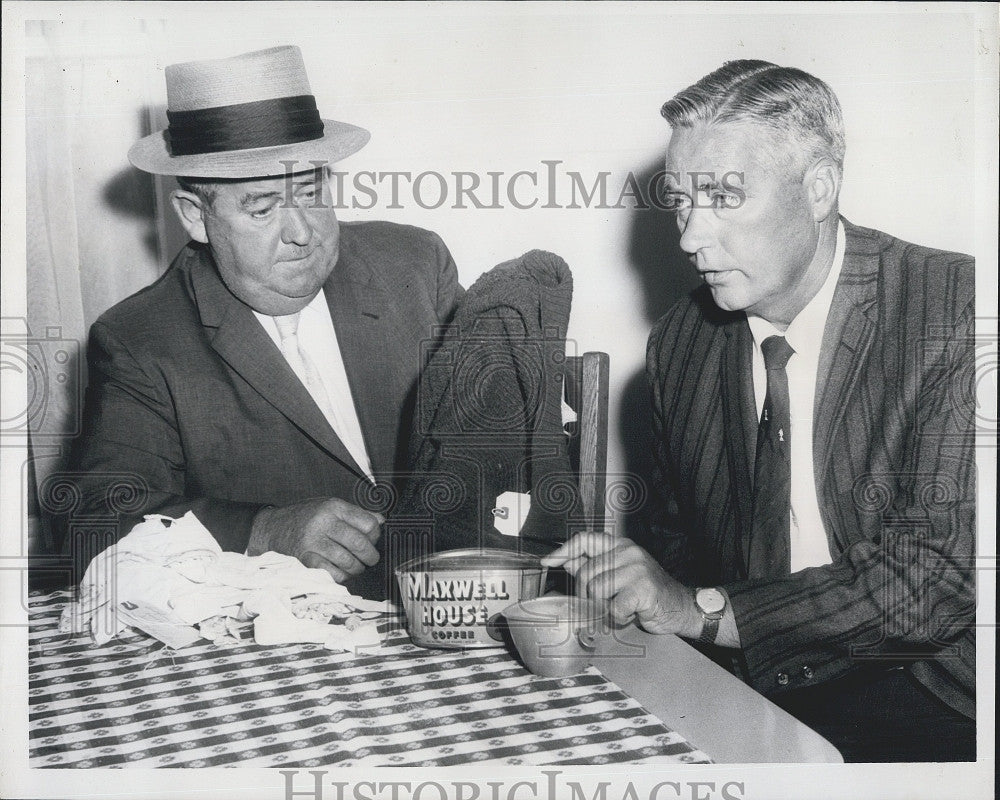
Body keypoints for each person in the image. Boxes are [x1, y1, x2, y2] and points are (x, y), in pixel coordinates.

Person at [544, 60, 976, 762]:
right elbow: (677, 542)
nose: (689, 237)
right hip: (753, 677)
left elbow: (935, 581)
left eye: (721, 197)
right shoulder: (682, 342)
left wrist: (701, 610)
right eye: (681, 201)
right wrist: (639, 582)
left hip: (934, 693)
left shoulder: (956, 309)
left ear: (819, 188)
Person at [67, 46, 462, 594]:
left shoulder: (415, 264)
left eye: (312, 191)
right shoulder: (140, 339)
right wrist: (261, 530)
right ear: (194, 216)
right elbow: (95, 523)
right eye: (261, 208)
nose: (303, 231)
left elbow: (504, 434)